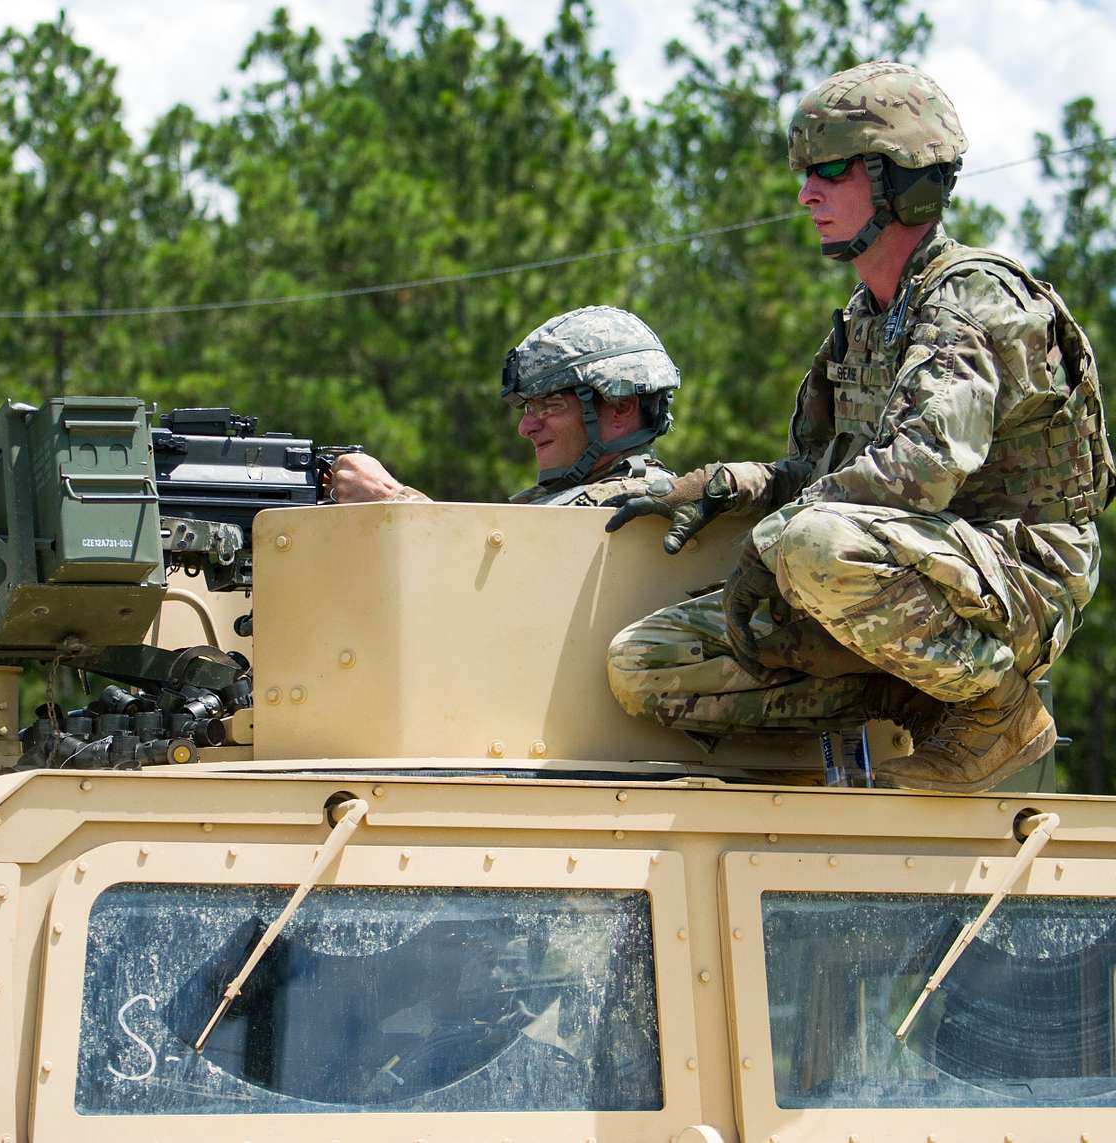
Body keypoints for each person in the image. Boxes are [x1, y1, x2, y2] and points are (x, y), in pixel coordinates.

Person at [602, 61, 1113, 792]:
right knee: (643, 661)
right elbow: (818, 474)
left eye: (833, 169)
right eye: (806, 171)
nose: (807, 193)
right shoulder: (867, 321)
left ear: (906, 179)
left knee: (811, 544)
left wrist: (772, 538)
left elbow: (922, 469)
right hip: (903, 572)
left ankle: (997, 709)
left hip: (1018, 576)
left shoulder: (973, 300)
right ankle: (914, 694)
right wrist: (722, 484)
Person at [329, 306, 681, 506]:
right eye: (529, 408)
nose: (526, 428)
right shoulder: (567, 499)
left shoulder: (634, 503)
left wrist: (389, 499)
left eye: (550, 405)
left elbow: (495, 586)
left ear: (620, 407)